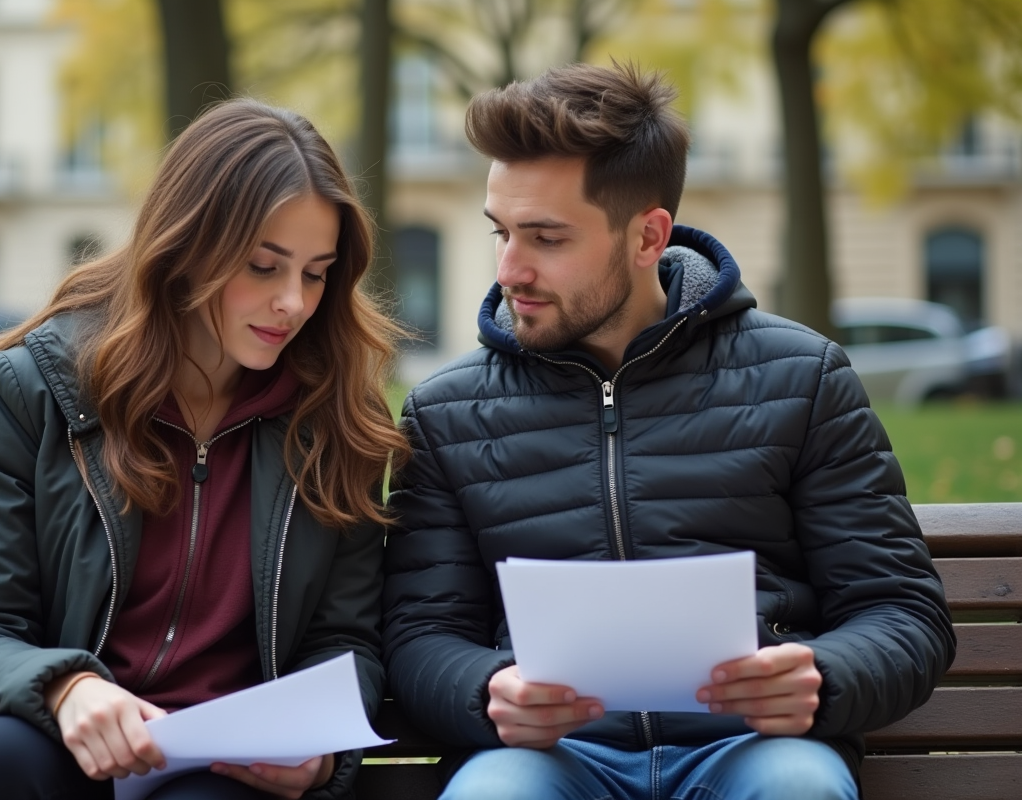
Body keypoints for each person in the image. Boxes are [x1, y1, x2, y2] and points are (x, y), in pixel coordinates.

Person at [382, 62, 955, 800]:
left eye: (546, 238)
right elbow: (419, 634)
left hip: (754, 749)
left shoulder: (802, 376)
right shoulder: (444, 411)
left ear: (648, 235)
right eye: (501, 233)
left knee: (797, 790)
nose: (510, 268)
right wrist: (484, 687)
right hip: (547, 760)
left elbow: (902, 612)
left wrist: (825, 676)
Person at [0, 99, 408, 800]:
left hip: (218, 767)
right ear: (187, 247)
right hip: (43, 737)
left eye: (315, 273)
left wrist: (320, 752)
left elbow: (345, 642)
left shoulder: (337, 418)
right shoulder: (34, 389)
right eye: (262, 265)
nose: (293, 303)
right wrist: (65, 688)